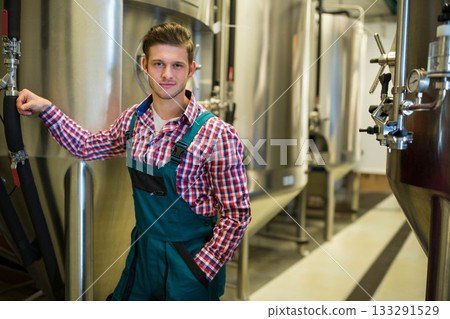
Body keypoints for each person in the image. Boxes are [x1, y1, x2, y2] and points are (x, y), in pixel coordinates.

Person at [16, 22, 251, 301]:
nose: (167, 74)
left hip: (188, 264)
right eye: (158, 64)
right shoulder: (132, 122)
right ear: (144, 65)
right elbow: (87, 145)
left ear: (191, 69)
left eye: (177, 65)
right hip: (142, 256)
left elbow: (237, 214)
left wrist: (201, 268)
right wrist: (46, 109)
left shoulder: (217, 134)